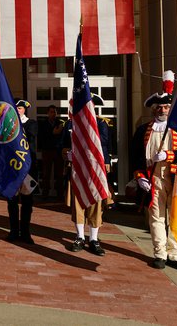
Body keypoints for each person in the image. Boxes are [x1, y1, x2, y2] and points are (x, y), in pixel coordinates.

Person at [129, 71, 177, 272]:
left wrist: (169, 156)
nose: (164, 110)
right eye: (160, 107)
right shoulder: (143, 131)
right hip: (153, 179)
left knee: (175, 216)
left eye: (166, 106)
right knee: (156, 217)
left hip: (175, 177)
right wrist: (140, 177)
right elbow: (136, 157)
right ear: (154, 110)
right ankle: (159, 253)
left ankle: (174, 253)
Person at [62, 96, 108, 256]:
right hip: (77, 168)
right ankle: (80, 236)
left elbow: (105, 144)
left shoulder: (101, 123)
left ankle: (94, 239)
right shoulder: (69, 124)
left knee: (95, 202)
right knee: (78, 202)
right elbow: (62, 144)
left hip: (95, 168)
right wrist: (66, 154)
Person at [6, 99, 37, 244]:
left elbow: (31, 139)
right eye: (16, 108)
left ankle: (25, 232)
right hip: (13, 168)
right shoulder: (10, 124)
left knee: (27, 202)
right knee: (12, 201)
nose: (18, 110)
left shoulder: (31, 123)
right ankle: (13, 231)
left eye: (20, 108)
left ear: (25, 110)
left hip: (27, 168)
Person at [37, 104, 65, 198]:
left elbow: (62, 136)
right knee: (46, 174)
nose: (53, 114)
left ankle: (60, 194)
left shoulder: (60, 123)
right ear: (48, 113)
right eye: (51, 112)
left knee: (59, 174)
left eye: (55, 112)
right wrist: (52, 132)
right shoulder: (43, 124)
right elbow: (41, 136)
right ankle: (45, 194)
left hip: (57, 151)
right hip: (47, 150)